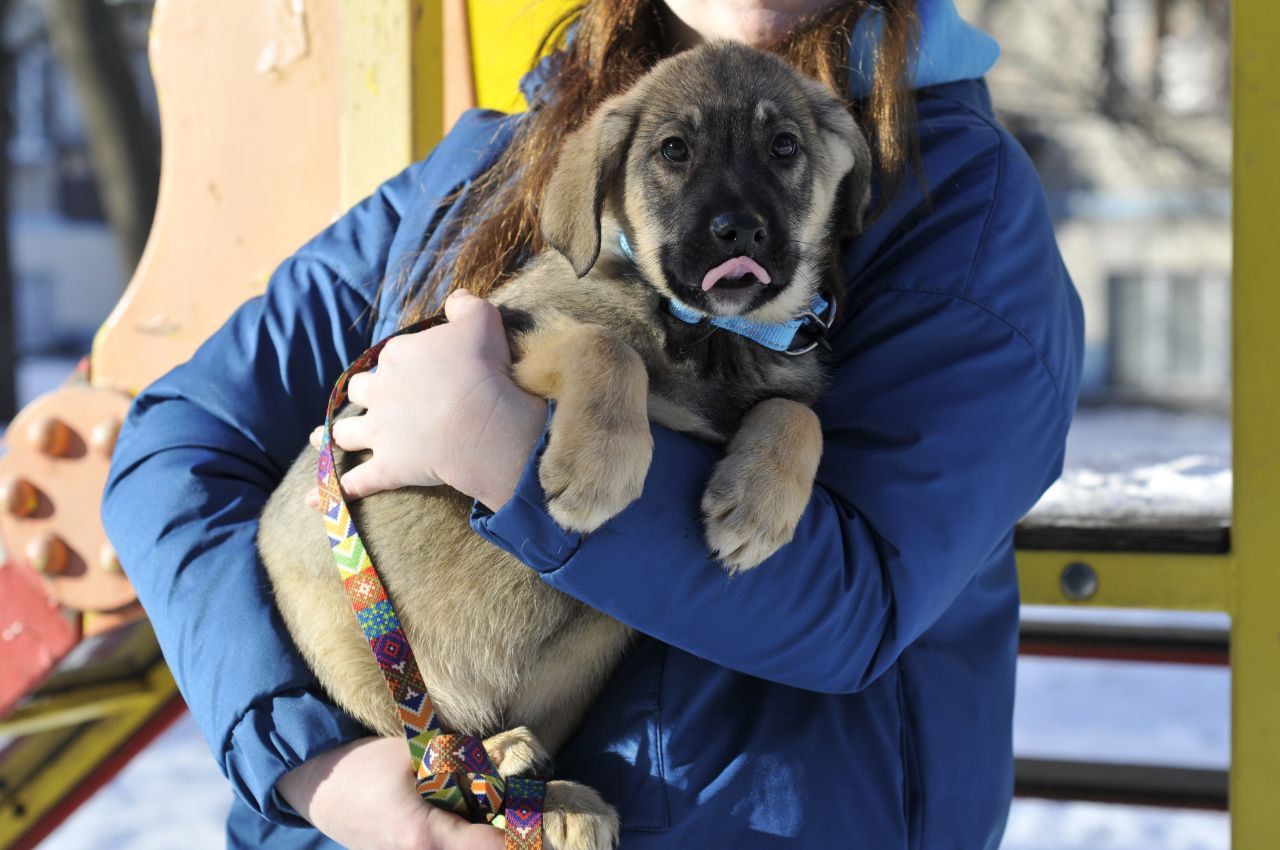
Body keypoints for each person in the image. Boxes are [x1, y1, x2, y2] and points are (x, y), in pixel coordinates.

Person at [101, 0, 1084, 848]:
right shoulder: (491, 164)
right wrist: (317, 762)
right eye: (673, 156)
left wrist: (502, 446)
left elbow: (857, 601)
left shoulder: (952, 201)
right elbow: (178, 441)